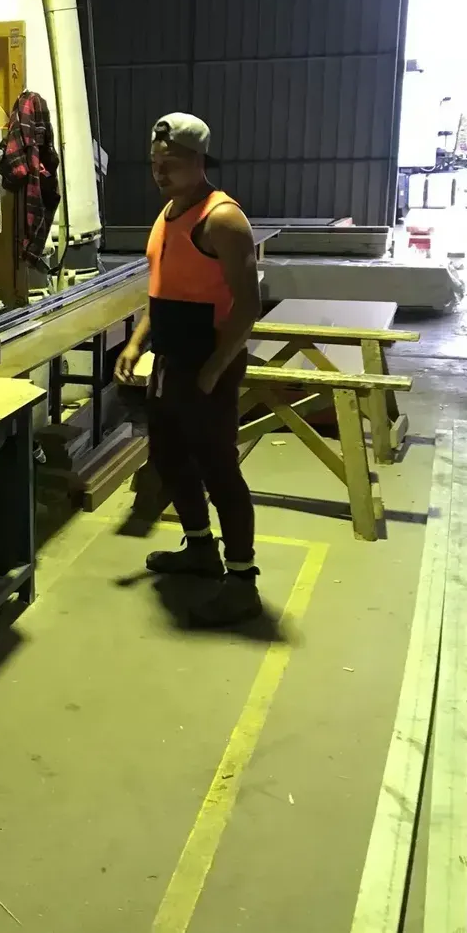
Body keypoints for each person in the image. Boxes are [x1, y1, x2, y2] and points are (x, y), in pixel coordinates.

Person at [114, 113, 263, 625]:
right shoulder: (168, 213)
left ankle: (242, 580)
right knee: (169, 458)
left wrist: (216, 367)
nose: (159, 171)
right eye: (155, 162)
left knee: (219, 469)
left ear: (199, 161)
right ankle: (200, 549)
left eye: (170, 162)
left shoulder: (221, 219)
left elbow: (248, 304)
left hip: (207, 363)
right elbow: (164, 292)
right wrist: (135, 344)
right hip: (171, 362)